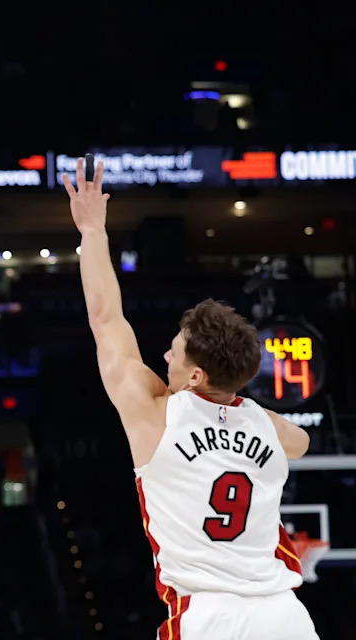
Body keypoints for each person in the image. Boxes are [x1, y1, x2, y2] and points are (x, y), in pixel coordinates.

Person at [63, 157, 318, 640]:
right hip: (286, 617)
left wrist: (92, 231)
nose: (165, 354)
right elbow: (301, 442)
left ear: (196, 376)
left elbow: (106, 319)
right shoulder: (266, 425)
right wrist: (237, 408)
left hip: (209, 617)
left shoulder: (156, 414)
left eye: (174, 352)